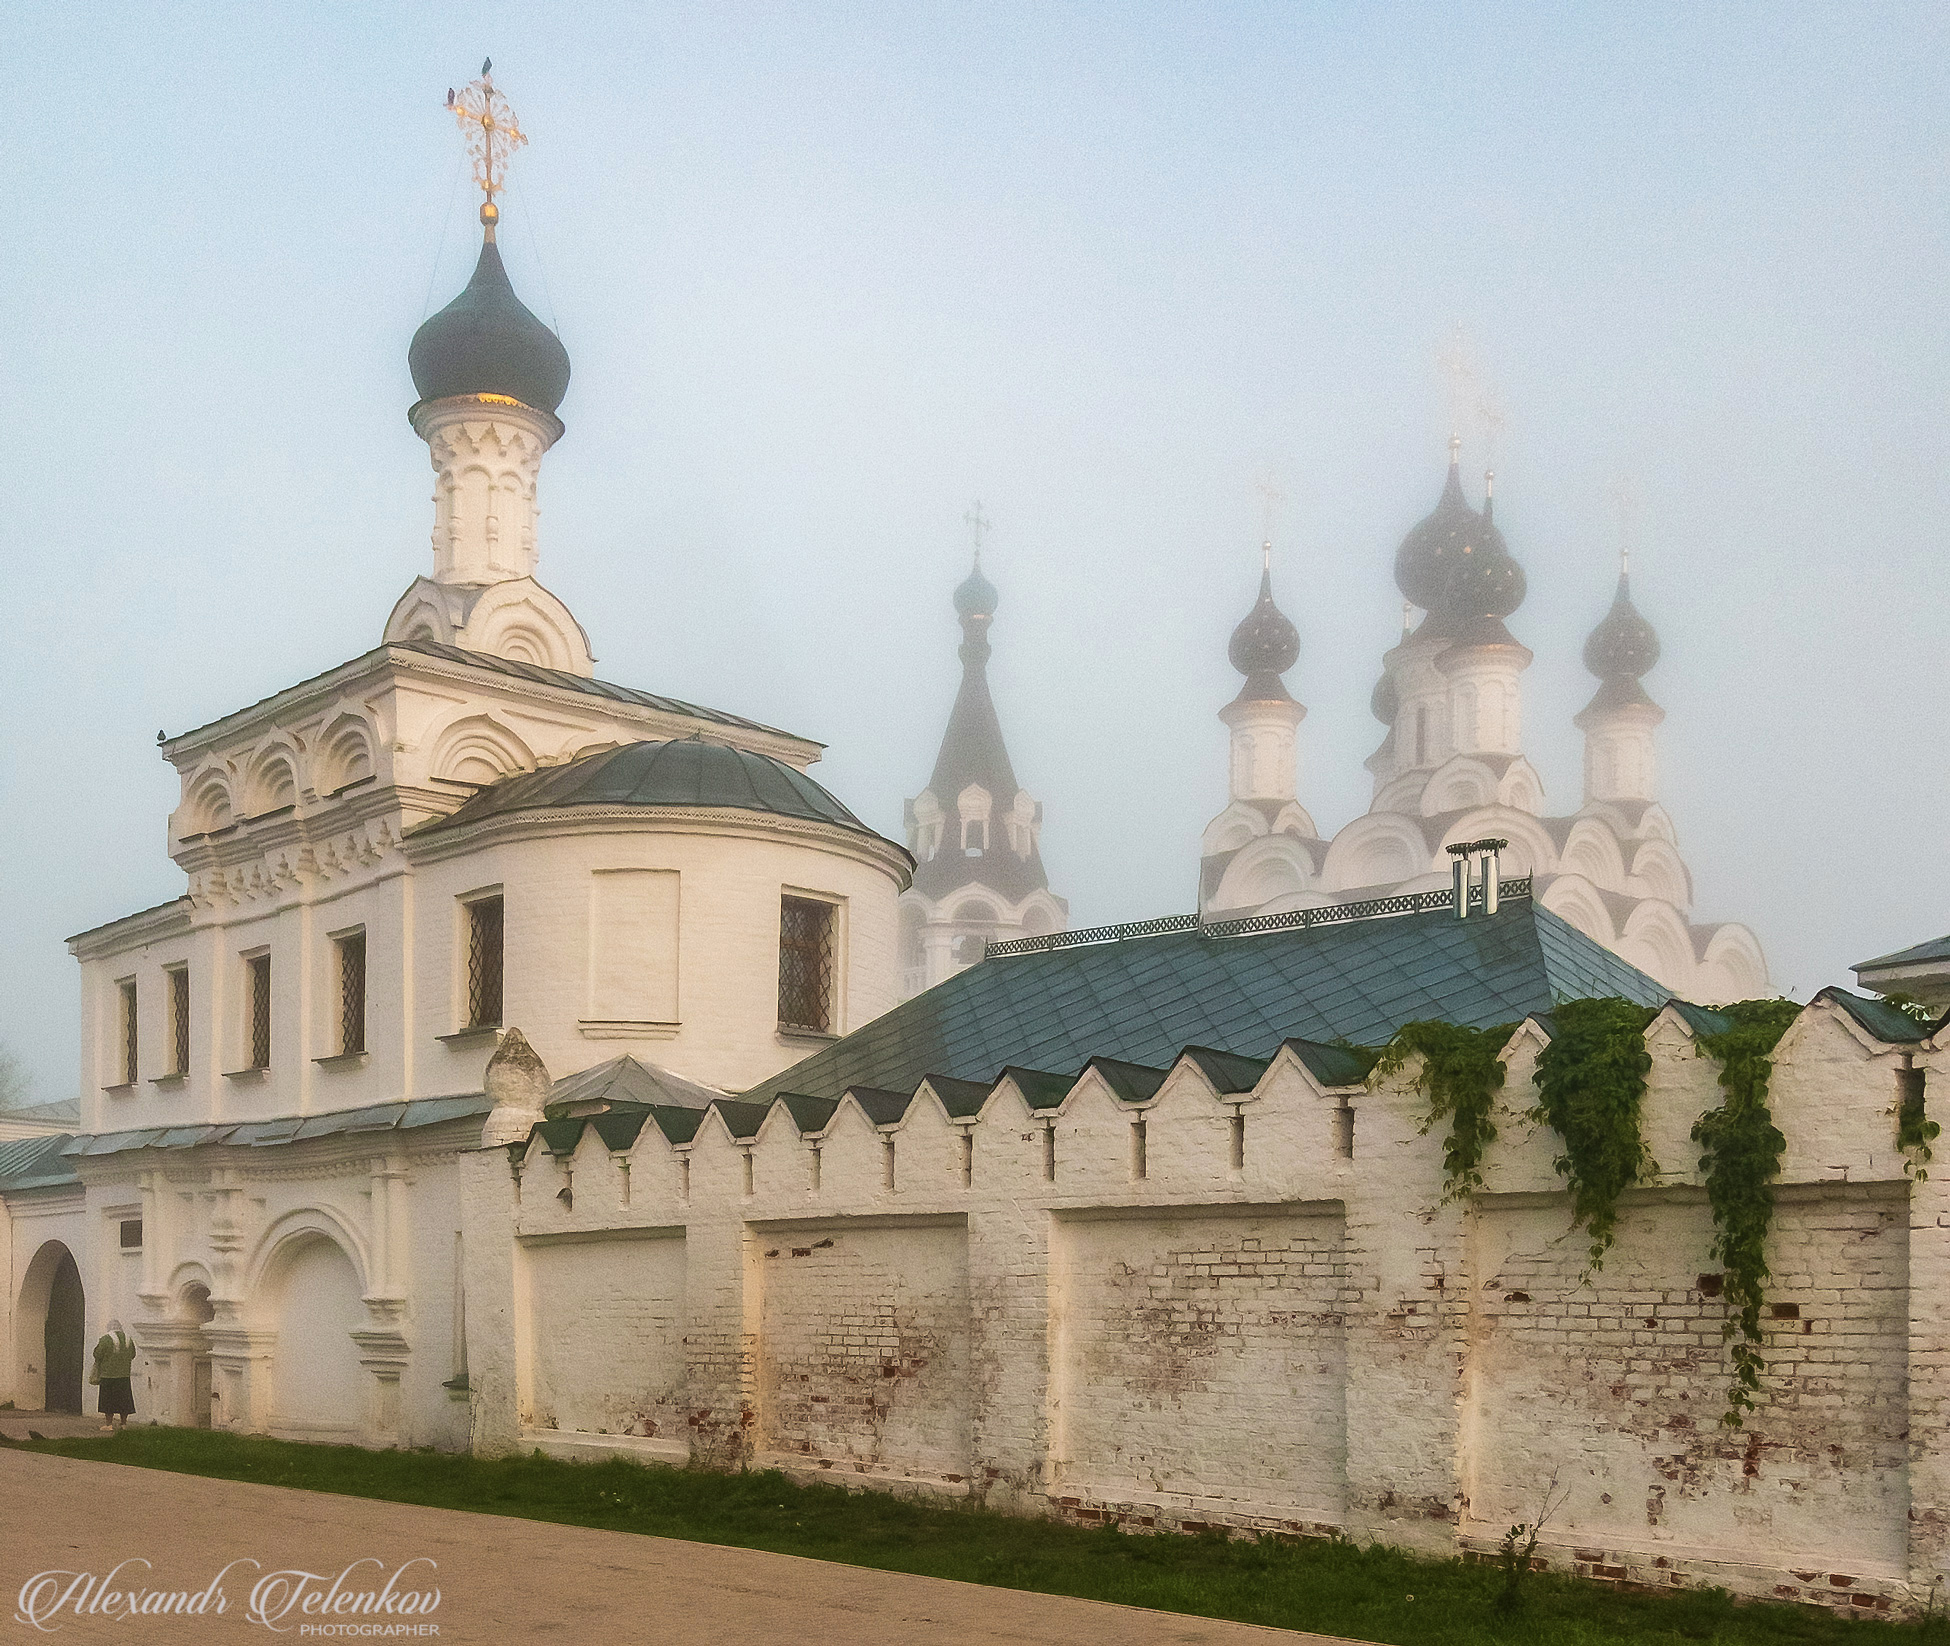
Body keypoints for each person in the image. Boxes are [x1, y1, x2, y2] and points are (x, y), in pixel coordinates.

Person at [91, 1320, 136, 1433]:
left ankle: (109, 1424)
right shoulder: (128, 1339)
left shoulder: (105, 1339)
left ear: (109, 1327)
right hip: (124, 1375)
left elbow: (97, 1354)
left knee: (108, 1401)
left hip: (108, 1375)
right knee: (124, 1400)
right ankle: (123, 1424)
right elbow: (133, 1354)